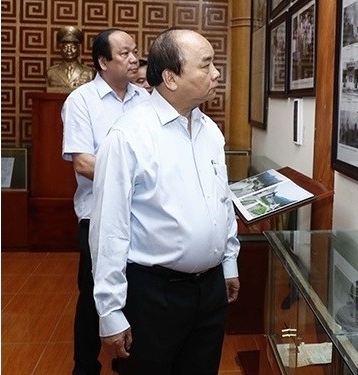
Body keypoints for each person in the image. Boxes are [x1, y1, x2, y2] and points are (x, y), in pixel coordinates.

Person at [89, 28, 240, 374]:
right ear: (170, 78)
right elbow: (109, 230)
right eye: (206, 65)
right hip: (154, 295)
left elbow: (221, 201)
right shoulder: (128, 137)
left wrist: (228, 262)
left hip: (210, 291)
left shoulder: (210, 131)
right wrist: (110, 312)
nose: (216, 73)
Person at [61, 28, 148, 375]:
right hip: (95, 214)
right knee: (95, 293)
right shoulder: (81, 101)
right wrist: (135, 178)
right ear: (102, 61)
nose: (133, 59)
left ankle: (126, 361)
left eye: (135, 52)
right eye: (125, 53)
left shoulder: (145, 100)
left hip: (139, 214)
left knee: (135, 291)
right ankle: (85, 365)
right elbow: (83, 163)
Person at [46, 26, 95, 90]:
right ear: (60, 49)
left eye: (73, 47)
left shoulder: (89, 72)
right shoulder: (51, 72)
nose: (69, 50)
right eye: (65, 47)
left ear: (78, 49)